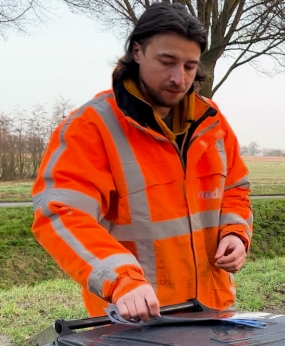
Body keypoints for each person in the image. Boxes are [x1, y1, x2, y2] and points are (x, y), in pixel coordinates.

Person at [31, 3, 252, 322]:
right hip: (136, 322)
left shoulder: (211, 122)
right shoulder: (91, 128)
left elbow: (235, 189)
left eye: (190, 66)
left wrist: (234, 233)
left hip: (213, 313)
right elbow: (61, 213)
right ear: (137, 52)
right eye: (167, 62)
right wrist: (121, 280)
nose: (179, 78)